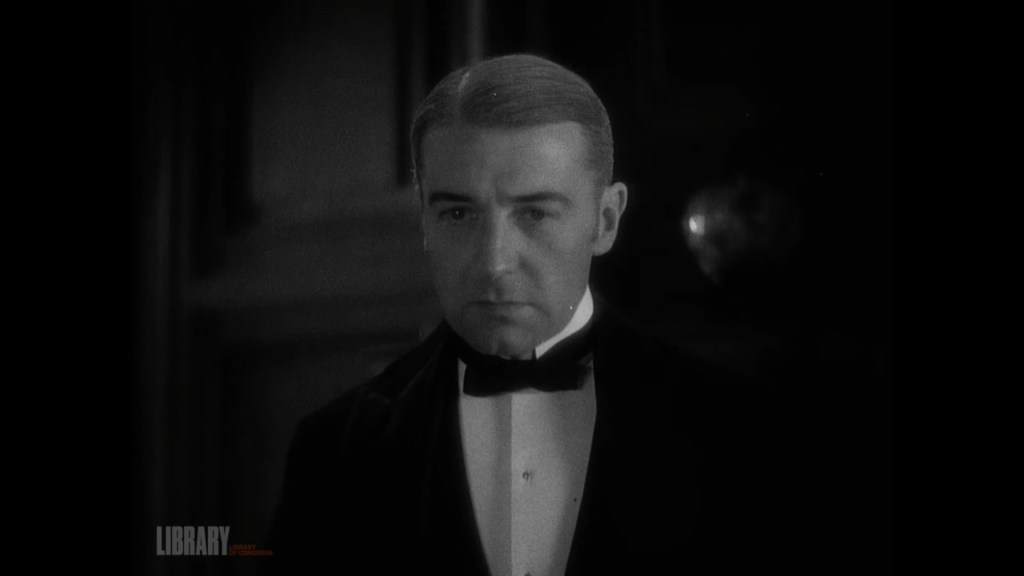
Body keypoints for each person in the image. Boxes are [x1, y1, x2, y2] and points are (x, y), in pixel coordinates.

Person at [262, 54, 799, 576]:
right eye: (458, 213)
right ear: (424, 219)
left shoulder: (737, 431)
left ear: (605, 220)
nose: (494, 262)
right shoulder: (336, 448)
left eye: (535, 213)